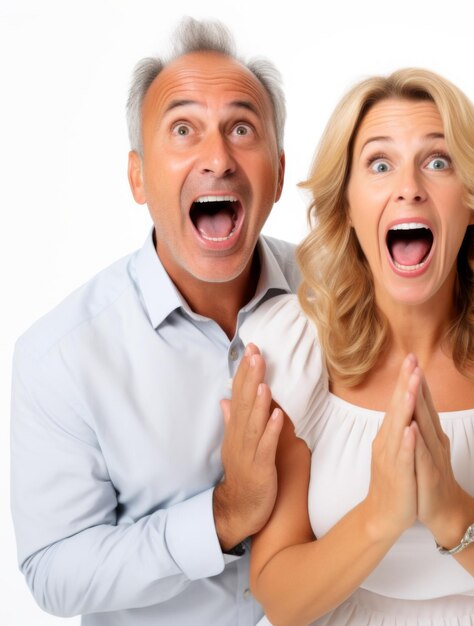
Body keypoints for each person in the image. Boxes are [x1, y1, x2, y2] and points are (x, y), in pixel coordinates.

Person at [237, 69, 474, 625]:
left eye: (438, 162)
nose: (409, 186)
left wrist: (453, 512)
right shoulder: (297, 356)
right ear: (348, 207)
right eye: (380, 164)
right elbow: (280, 599)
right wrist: (381, 515)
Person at [10, 17, 299, 625]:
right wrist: (223, 515)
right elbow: (55, 574)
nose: (217, 158)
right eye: (184, 129)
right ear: (138, 176)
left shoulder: (343, 298)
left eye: (241, 128)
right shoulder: (58, 356)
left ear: (275, 171)